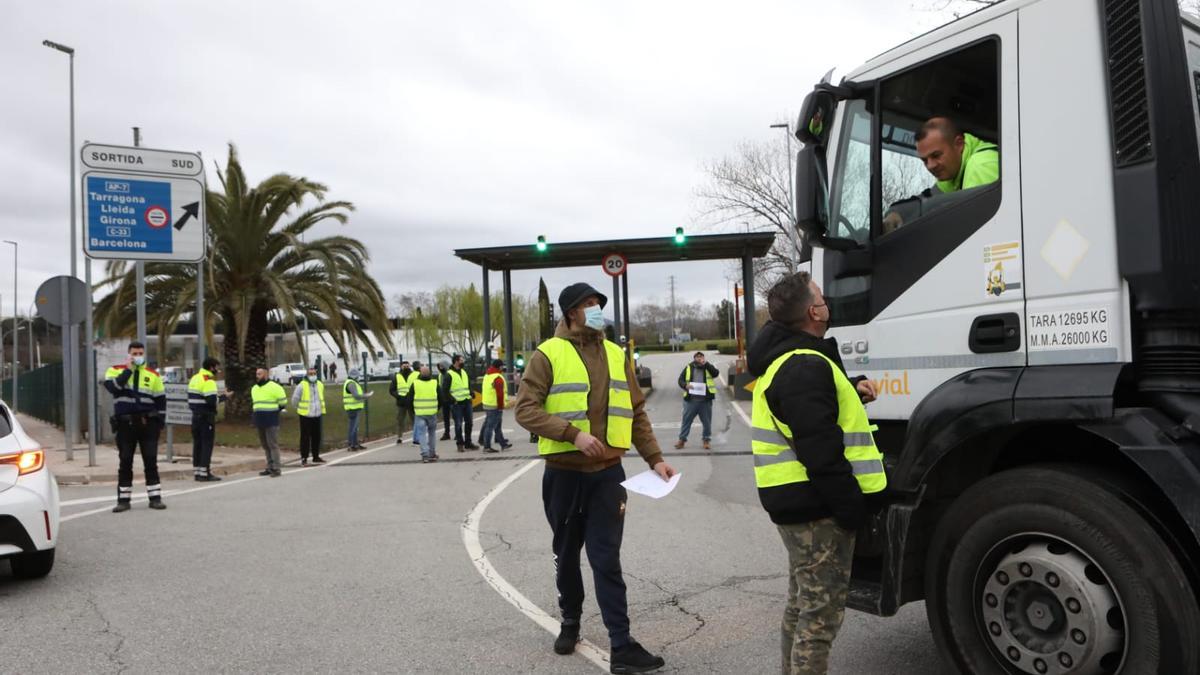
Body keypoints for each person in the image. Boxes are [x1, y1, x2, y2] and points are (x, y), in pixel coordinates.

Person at [515, 282, 676, 673]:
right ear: (571, 313)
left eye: (598, 303)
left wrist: (655, 458)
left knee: (606, 558)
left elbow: (636, 410)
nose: (597, 309)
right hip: (564, 475)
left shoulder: (616, 354)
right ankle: (570, 621)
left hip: (607, 475)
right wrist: (573, 434)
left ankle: (621, 645)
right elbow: (525, 410)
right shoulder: (547, 354)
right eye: (589, 304)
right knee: (567, 554)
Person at [747, 271, 887, 674]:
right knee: (820, 618)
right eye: (822, 298)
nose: (827, 303)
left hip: (800, 506)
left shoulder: (794, 361)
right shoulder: (803, 366)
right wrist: (852, 511)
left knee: (803, 604)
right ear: (814, 311)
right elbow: (821, 453)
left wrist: (850, 387)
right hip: (817, 510)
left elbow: (818, 418)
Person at [883, 116, 1000, 232]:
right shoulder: (954, 172)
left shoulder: (980, 166)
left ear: (959, 144)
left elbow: (976, 232)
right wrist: (898, 213)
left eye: (936, 155)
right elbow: (929, 198)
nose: (930, 166)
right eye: (925, 160)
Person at [103, 341, 167, 512]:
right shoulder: (115, 370)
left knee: (151, 460)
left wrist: (160, 422)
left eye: (140, 353)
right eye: (134, 353)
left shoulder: (153, 375)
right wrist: (128, 370)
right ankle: (123, 500)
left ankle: (155, 498)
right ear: (128, 354)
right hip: (125, 424)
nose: (137, 356)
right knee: (125, 461)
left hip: (148, 424)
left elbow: (160, 400)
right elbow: (113, 388)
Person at [187, 357, 232, 482]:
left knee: (197, 444)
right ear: (211, 367)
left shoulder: (195, 378)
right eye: (217, 367)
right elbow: (211, 401)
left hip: (195, 416)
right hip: (206, 418)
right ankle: (205, 473)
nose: (218, 370)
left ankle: (197, 472)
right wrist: (224, 397)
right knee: (206, 445)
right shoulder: (208, 381)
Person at [675, 352, 719, 451]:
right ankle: (682, 440)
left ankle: (706, 440)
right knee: (686, 421)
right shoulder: (688, 367)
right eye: (697, 357)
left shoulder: (708, 367)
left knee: (707, 422)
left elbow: (716, 373)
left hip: (705, 401)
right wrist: (685, 385)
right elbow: (680, 380)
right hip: (691, 400)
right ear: (694, 358)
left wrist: (706, 364)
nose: (699, 359)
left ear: (704, 358)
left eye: (701, 357)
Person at [251, 367, 287, 477]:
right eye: (257, 374)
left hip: (271, 419)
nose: (257, 376)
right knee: (265, 445)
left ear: (266, 374)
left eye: (260, 374)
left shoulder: (275, 387)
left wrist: (275, 411)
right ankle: (270, 466)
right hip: (259, 420)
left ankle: (276, 468)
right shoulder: (254, 388)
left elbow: (283, 402)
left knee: (273, 444)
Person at [291, 367, 326, 466]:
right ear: (307, 375)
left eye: (314, 373)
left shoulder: (320, 385)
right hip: (305, 415)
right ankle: (304, 458)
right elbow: (294, 400)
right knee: (305, 437)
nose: (313, 375)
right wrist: (300, 408)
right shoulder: (301, 386)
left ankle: (316, 456)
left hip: (317, 414)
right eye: (310, 374)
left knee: (316, 436)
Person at [444, 354, 478, 452]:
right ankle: (460, 443)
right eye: (461, 360)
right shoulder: (449, 374)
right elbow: (445, 390)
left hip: (467, 401)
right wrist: (452, 400)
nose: (463, 362)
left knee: (469, 423)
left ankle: (468, 442)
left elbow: (467, 385)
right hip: (456, 403)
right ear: (456, 361)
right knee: (458, 424)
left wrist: (471, 392)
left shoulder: (463, 372)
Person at [480, 359, 513, 453]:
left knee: (496, 426)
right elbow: (500, 394)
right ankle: (486, 447)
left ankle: (503, 444)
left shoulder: (487, 375)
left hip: (487, 403)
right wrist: (501, 406)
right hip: (494, 405)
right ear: (500, 367)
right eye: (502, 366)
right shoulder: (497, 378)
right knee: (491, 426)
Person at [410, 364, 441, 463]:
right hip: (432, 412)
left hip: (419, 413)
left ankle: (425, 455)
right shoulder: (434, 383)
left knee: (422, 434)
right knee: (432, 433)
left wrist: (413, 409)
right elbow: (441, 398)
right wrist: (437, 408)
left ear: (420, 374)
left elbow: (409, 398)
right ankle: (432, 453)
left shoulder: (415, 384)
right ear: (430, 374)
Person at [344, 367, 373, 451]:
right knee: (353, 427)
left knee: (355, 427)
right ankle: (352, 444)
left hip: (354, 408)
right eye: (357, 375)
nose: (358, 377)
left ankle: (355, 443)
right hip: (352, 408)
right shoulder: (351, 383)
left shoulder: (351, 382)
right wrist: (367, 395)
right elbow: (356, 396)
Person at [388, 360, 417, 444]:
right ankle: (399, 437)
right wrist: (398, 396)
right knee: (400, 420)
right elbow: (391, 390)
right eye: (404, 366)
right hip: (401, 402)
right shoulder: (397, 376)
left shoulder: (414, 375)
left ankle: (416, 436)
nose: (406, 368)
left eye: (407, 366)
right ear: (401, 367)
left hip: (412, 401)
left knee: (414, 419)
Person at [437, 361, 452, 440]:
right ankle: (447, 433)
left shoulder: (450, 374)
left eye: (442, 366)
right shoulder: (440, 375)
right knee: (446, 417)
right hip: (444, 399)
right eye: (439, 366)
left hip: (451, 398)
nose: (440, 368)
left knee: (456, 417)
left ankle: (457, 433)